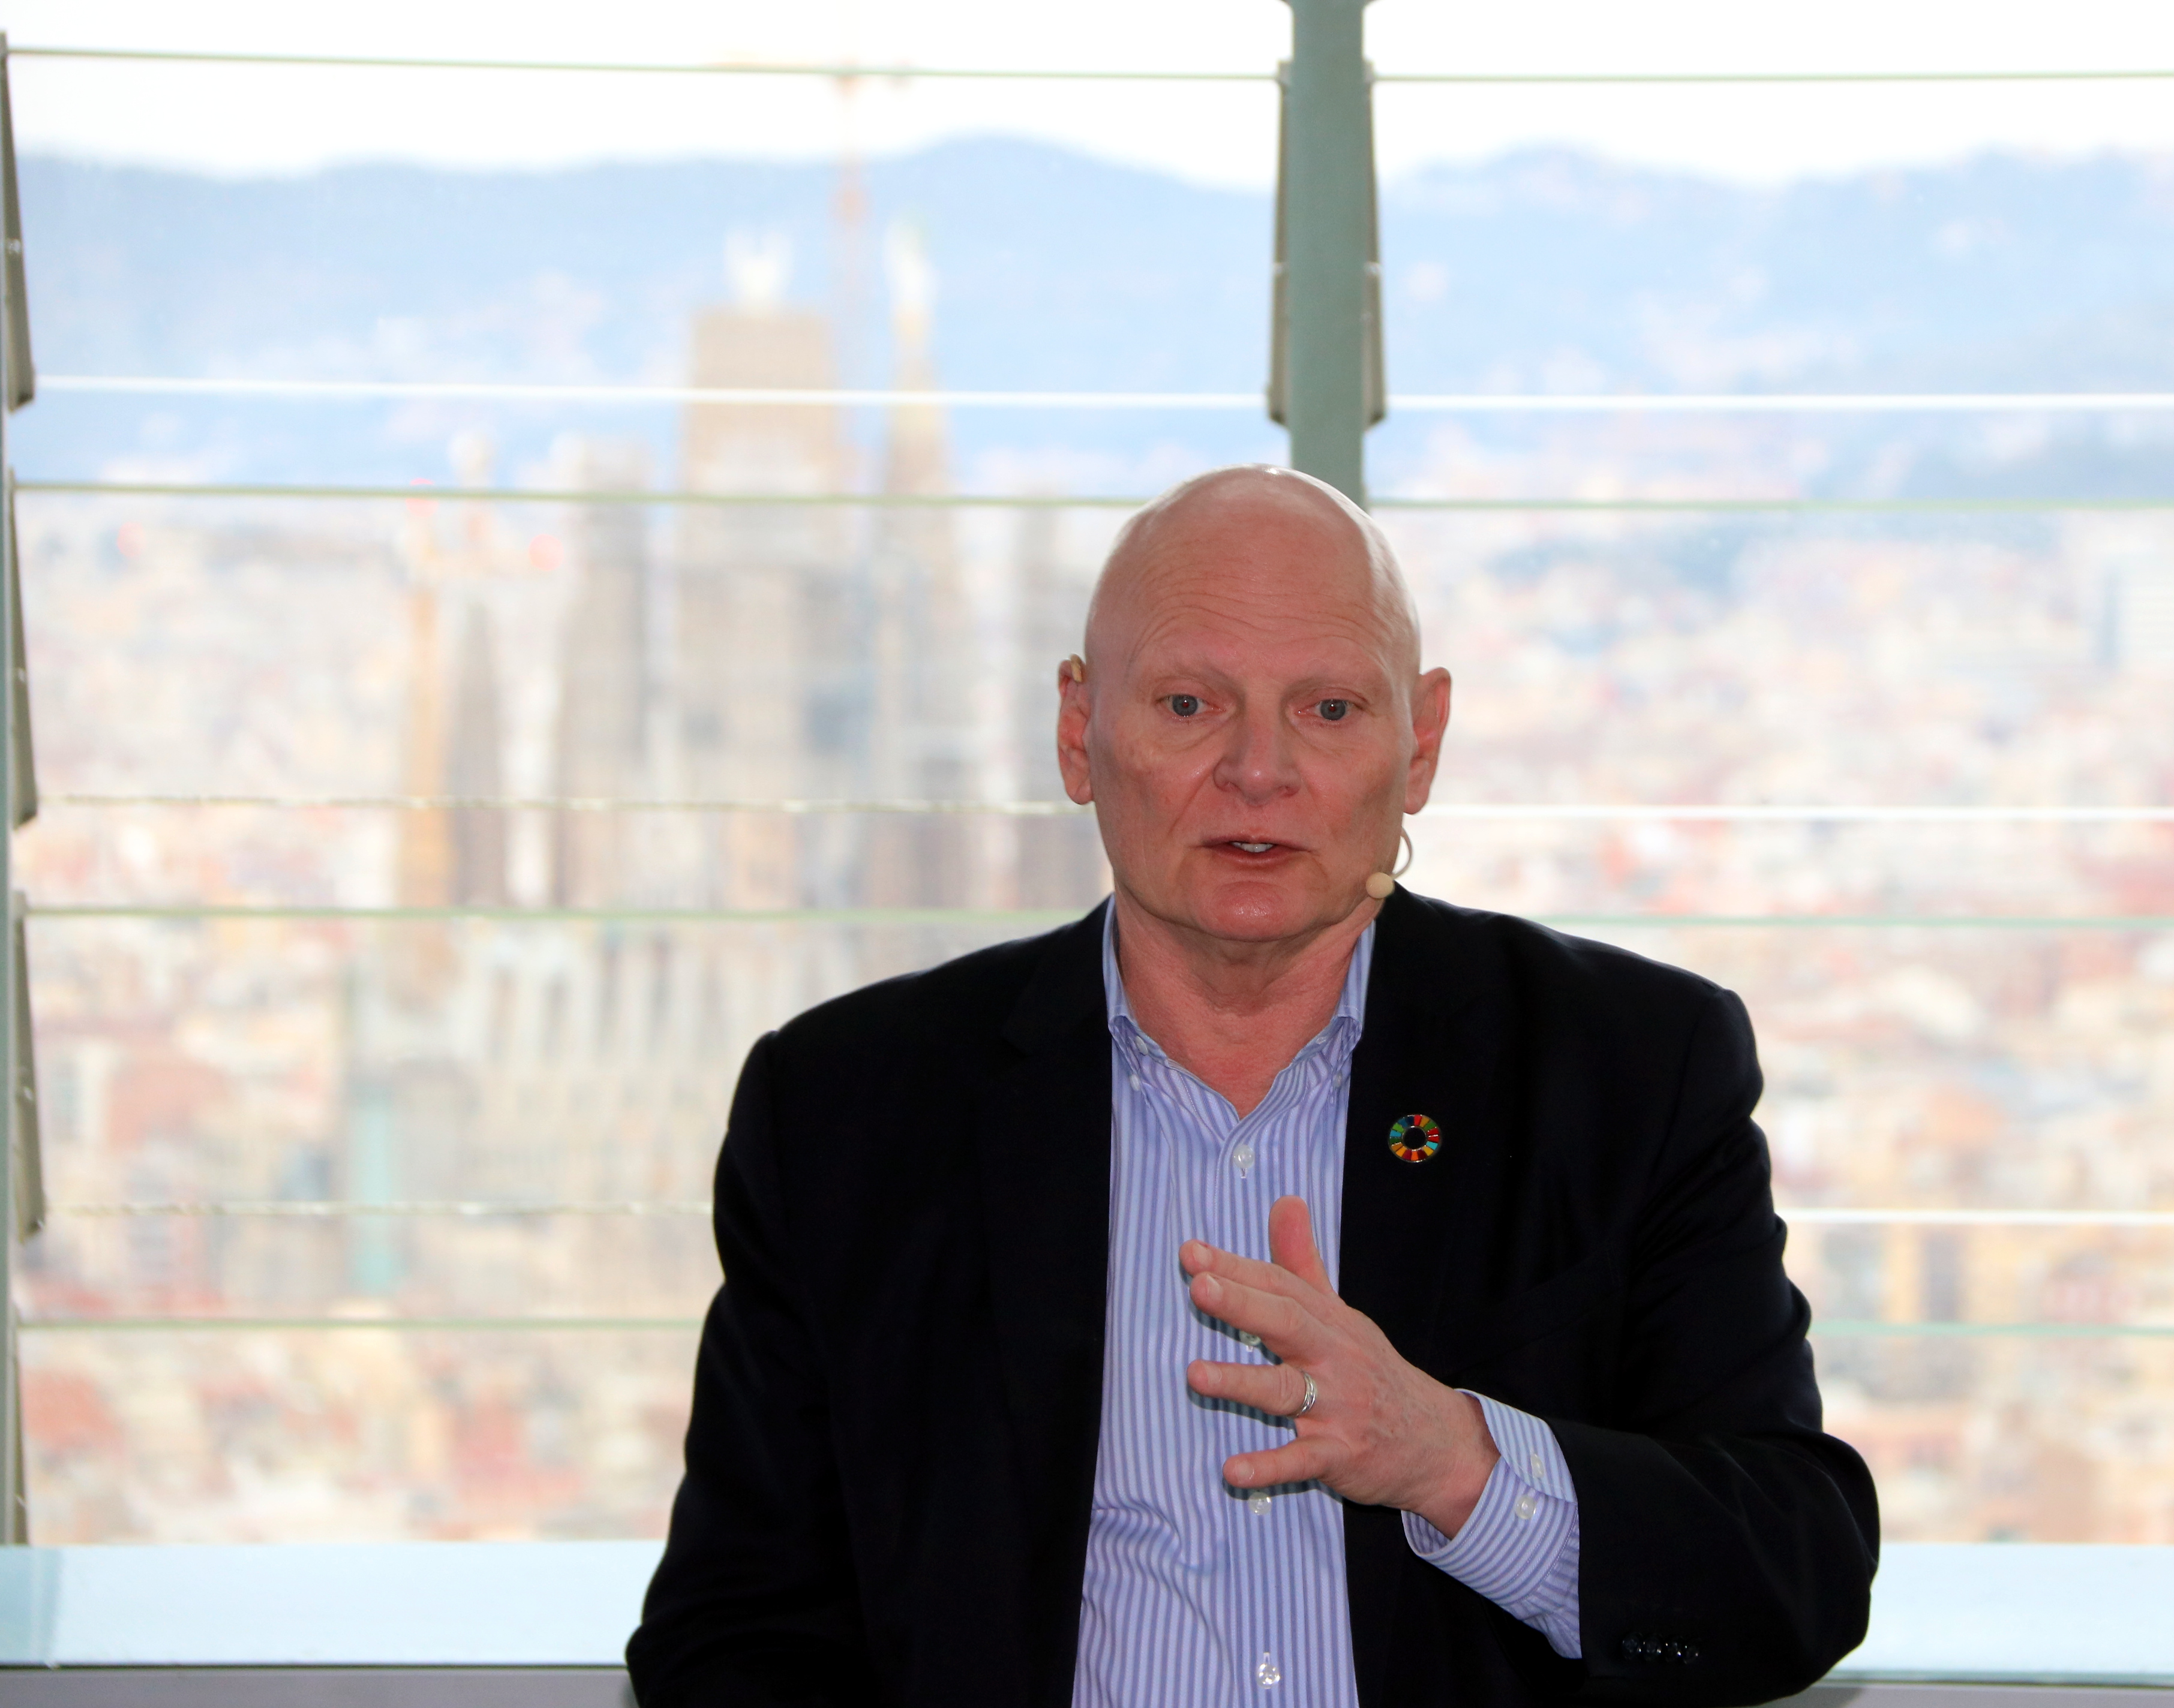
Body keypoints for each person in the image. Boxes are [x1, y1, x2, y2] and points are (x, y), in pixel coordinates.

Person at [626, 466, 1878, 1707]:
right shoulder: (851, 1109)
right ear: (1079, 731)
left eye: (1330, 709)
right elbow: (737, 1632)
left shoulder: (1627, 1068)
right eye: (1188, 703)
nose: (1258, 769)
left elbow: (1794, 1566)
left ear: (1421, 740)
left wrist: (1457, 1461)